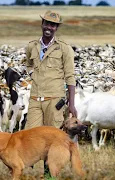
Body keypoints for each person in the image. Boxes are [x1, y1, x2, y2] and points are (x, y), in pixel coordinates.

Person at [24, 10, 77, 176]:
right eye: (47, 23)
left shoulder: (64, 48)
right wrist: (32, 74)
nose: (49, 27)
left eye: (53, 25)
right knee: (30, 136)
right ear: (42, 24)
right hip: (35, 98)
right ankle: (28, 169)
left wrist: (72, 105)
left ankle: (49, 175)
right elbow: (28, 64)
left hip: (54, 100)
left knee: (53, 139)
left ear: (56, 28)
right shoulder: (32, 46)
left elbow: (70, 77)